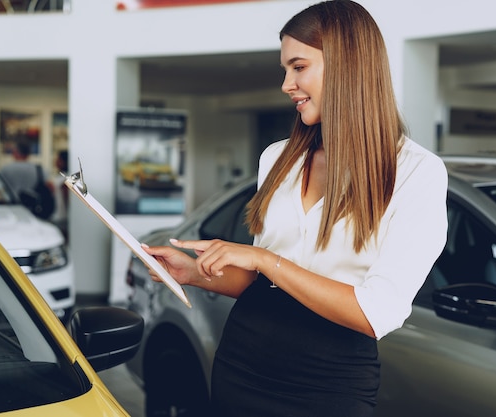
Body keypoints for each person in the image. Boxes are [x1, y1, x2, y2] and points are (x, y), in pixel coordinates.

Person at [143, 1, 448, 416]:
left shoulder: (417, 173)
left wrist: (264, 259)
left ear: (347, 66)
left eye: (298, 67)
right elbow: (262, 284)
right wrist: (194, 273)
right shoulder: (277, 157)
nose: (287, 84)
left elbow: (377, 313)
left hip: (329, 380)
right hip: (242, 361)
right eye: (286, 70)